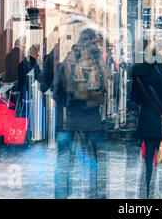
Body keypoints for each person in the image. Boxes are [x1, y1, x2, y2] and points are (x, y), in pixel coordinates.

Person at [53, 27, 110, 199]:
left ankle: (63, 194)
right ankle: (96, 194)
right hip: (92, 117)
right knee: (97, 159)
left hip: (71, 117)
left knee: (65, 160)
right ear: (93, 39)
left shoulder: (68, 58)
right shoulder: (98, 57)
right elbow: (106, 87)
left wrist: (69, 103)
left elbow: (57, 91)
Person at [131, 40, 162, 198]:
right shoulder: (161, 74)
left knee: (149, 155)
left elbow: (134, 97)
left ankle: (148, 183)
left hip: (145, 118)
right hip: (160, 120)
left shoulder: (138, 75)